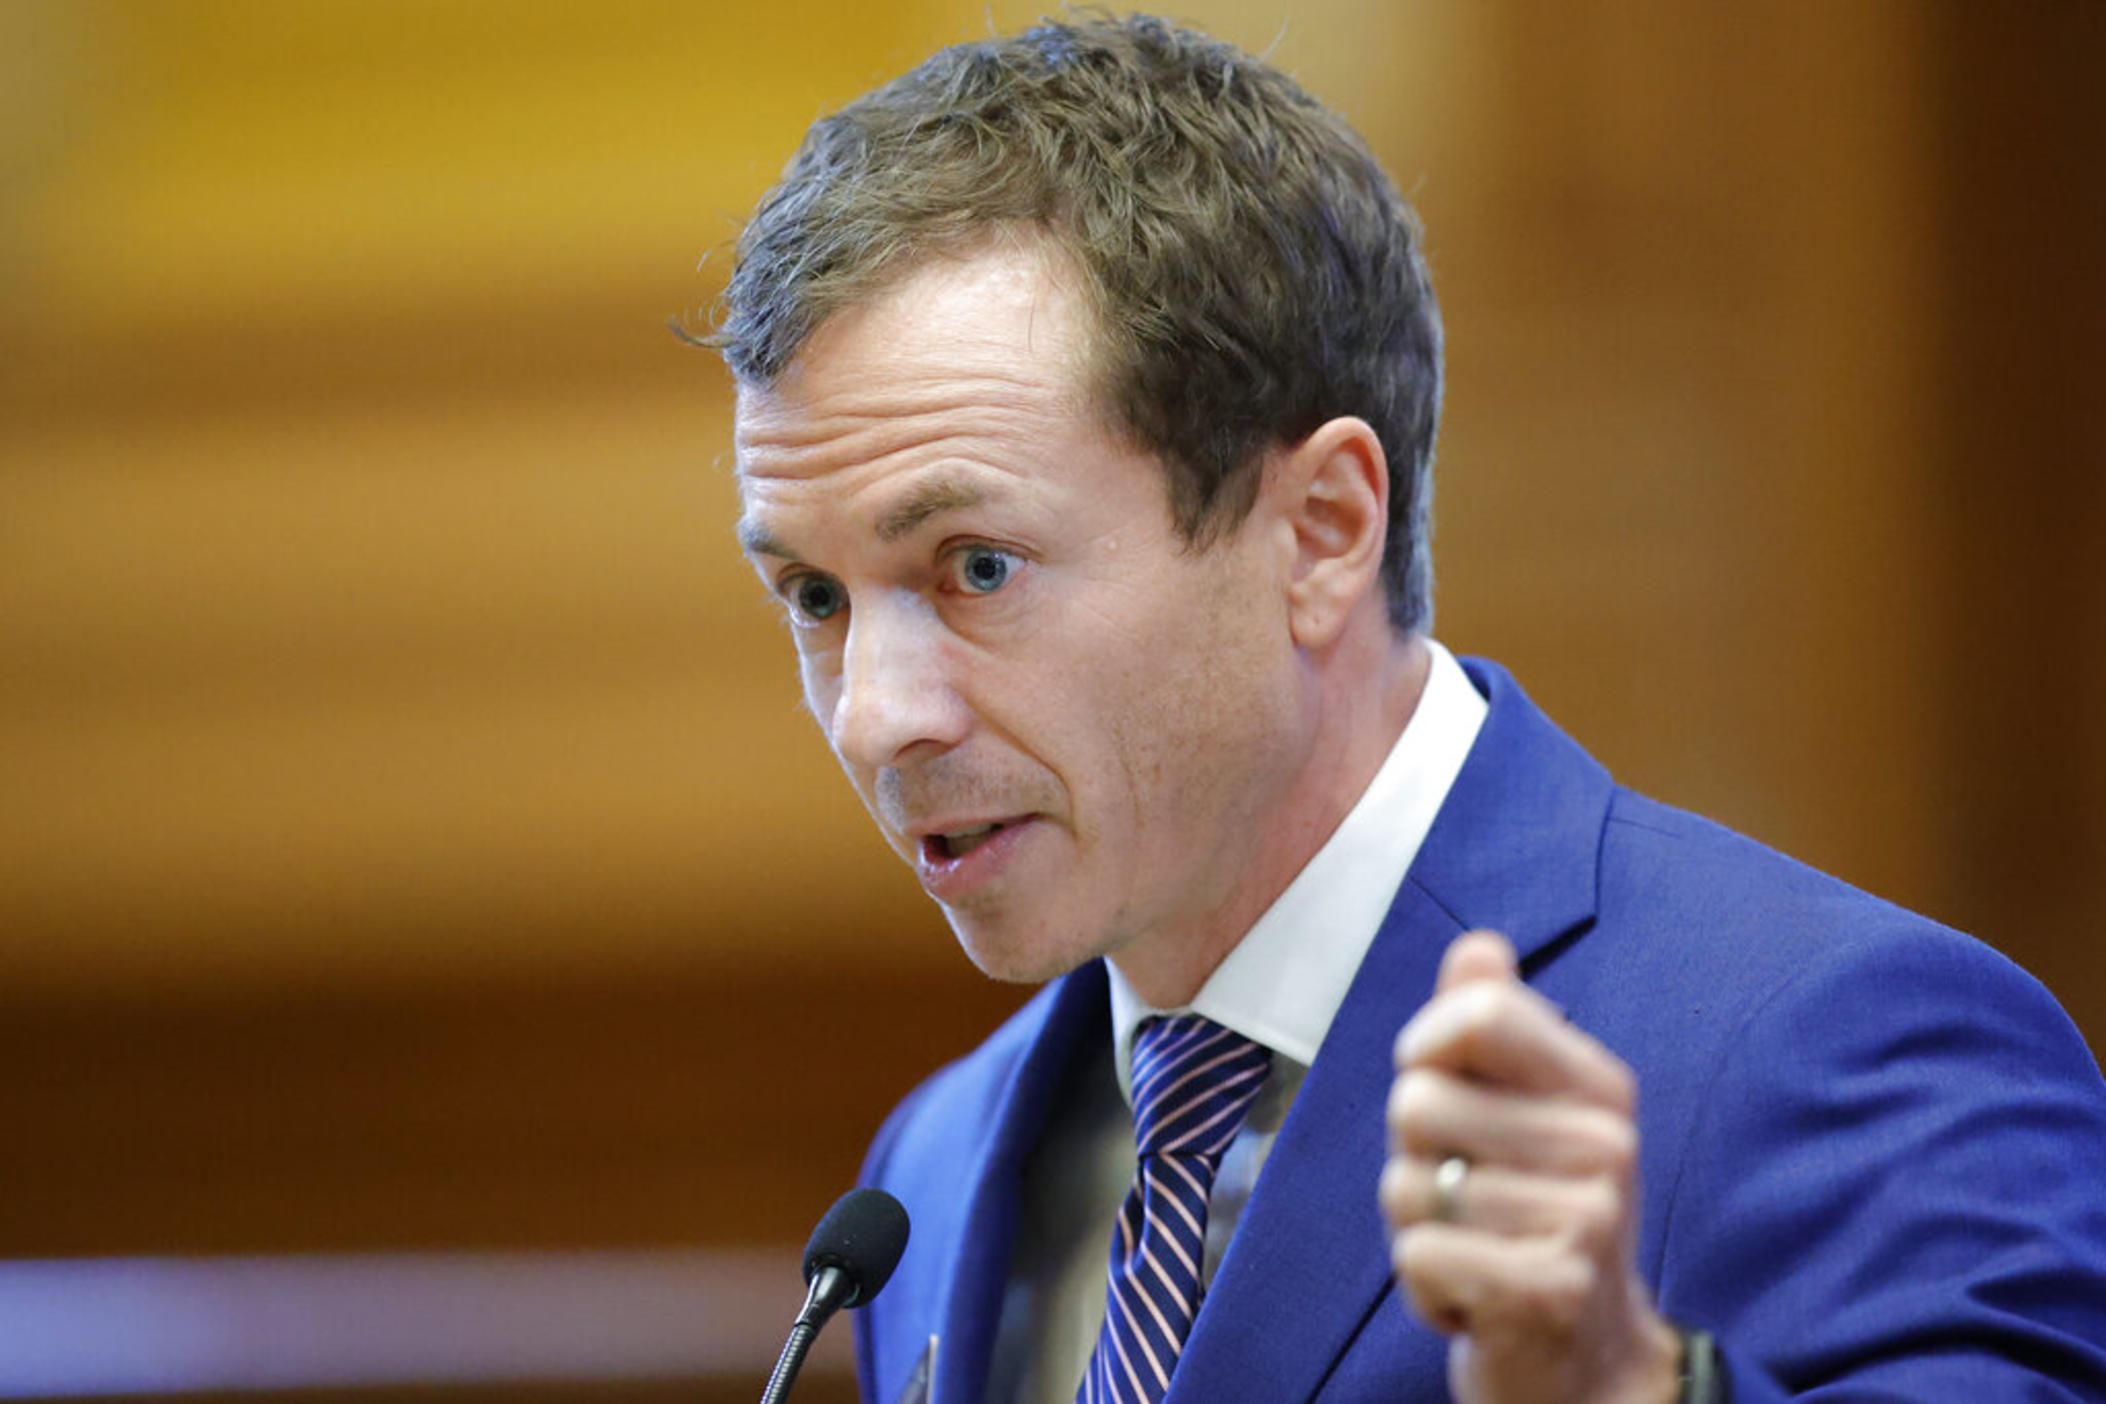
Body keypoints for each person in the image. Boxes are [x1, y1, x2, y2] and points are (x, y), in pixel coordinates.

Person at [711, 14, 2106, 1403]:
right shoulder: (930, 1172)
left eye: (976, 568)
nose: (875, 718)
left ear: (1318, 531)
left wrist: (1632, 1388)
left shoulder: (1835, 1047)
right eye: (815, 598)